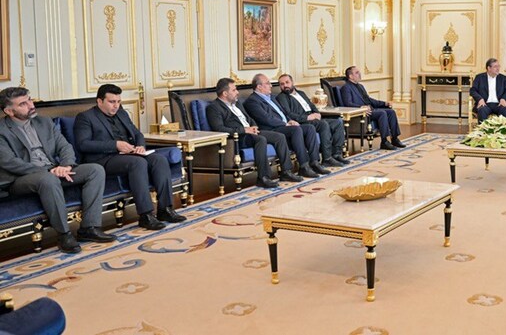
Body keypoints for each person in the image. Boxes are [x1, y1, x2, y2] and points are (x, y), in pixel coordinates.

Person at [0, 87, 116, 254]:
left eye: (30, 100)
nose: (31, 105)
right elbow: (10, 163)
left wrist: (66, 165)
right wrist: (49, 171)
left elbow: (65, 147)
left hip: (54, 170)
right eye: (23, 104)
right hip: (20, 178)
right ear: (9, 111)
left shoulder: (44, 122)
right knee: (48, 179)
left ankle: (89, 228)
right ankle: (64, 234)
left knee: (95, 170)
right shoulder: (2, 130)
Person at [74, 84, 186, 231]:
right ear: (99, 101)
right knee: (137, 163)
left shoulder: (122, 114)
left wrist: (140, 146)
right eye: (112, 102)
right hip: (103, 159)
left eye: (118, 102)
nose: (116, 106)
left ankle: (165, 209)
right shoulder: (86, 117)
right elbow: (83, 144)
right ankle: (146, 215)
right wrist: (115, 145)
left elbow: (138, 134)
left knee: (159, 160)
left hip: (129, 154)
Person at [205, 78, 302, 188]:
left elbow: (249, 118)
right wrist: (244, 130)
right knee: (260, 139)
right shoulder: (214, 108)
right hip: (238, 138)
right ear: (225, 93)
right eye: (234, 90)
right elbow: (219, 129)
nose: (237, 92)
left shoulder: (237, 103)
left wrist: (254, 127)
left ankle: (286, 172)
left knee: (279, 137)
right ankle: (263, 177)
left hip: (251, 132)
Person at [243, 74, 329, 178]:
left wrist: (290, 120)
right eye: (268, 83)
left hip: (284, 125)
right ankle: (303, 166)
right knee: (296, 130)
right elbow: (267, 119)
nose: (271, 86)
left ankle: (314, 162)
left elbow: (283, 113)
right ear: (259, 86)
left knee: (309, 128)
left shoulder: (272, 97)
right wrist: (285, 124)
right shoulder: (252, 101)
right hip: (272, 129)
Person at [276, 74, 349, 168]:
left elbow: (312, 105)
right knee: (323, 124)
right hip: (302, 121)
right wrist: (307, 118)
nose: (285, 85)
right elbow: (289, 114)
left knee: (338, 122)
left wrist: (317, 113)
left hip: (313, 118)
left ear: (292, 82)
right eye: (282, 84)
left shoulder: (301, 93)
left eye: (287, 82)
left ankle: (336, 154)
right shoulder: (282, 97)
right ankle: (327, 158)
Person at [341, 65, 405, 150]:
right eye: (357, 73)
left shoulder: (360, 86)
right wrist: (361, 107)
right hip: (361, 113)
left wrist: (384, 103)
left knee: (391, 112)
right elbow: (347, 103)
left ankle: (395, 139)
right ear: (350, 76)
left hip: (371, 109)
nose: (359, 74)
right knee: (382, 113)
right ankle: (384, 141)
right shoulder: (346, 87)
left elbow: (369, 100)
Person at [469, 58, 506, 123]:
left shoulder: (503, 78)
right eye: (495, 66)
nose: (498, 68)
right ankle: (483, 129)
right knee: (482, 110)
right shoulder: (479, 77)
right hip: (485, 104)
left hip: (498, 104)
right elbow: (473, 90)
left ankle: (503, 129)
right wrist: (480, 99)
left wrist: (503, 98)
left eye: (498, 66)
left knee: (504, 110)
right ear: (489, 68)